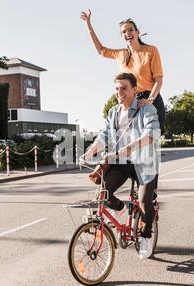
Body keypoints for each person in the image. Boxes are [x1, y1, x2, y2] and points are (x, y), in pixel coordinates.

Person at [81, 10, 164, 198]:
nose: (127, 33)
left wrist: (149, 99)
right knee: (119, 138)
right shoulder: (121, 54)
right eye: (124, 32)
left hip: (150, 98)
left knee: (148, 143)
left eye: (130, 29)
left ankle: (151, 189)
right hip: (129, 97)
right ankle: (112, 174)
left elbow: (158, 79)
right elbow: (101, 50)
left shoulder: (151, 51)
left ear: (137, 31)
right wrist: (88, 25)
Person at [83, 73, 160, 260]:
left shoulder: (146, 109)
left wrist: (129, 148)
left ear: (135, 89)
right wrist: (90, 151)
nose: (120, 92)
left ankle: (146, 236)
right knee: (103, 194)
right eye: (117, 89)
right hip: (122, 162)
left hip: (144, 162)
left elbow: (152, 133)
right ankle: (120, 208)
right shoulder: (113, 112)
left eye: (124, 88)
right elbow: (104, 137)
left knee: (144, 202)